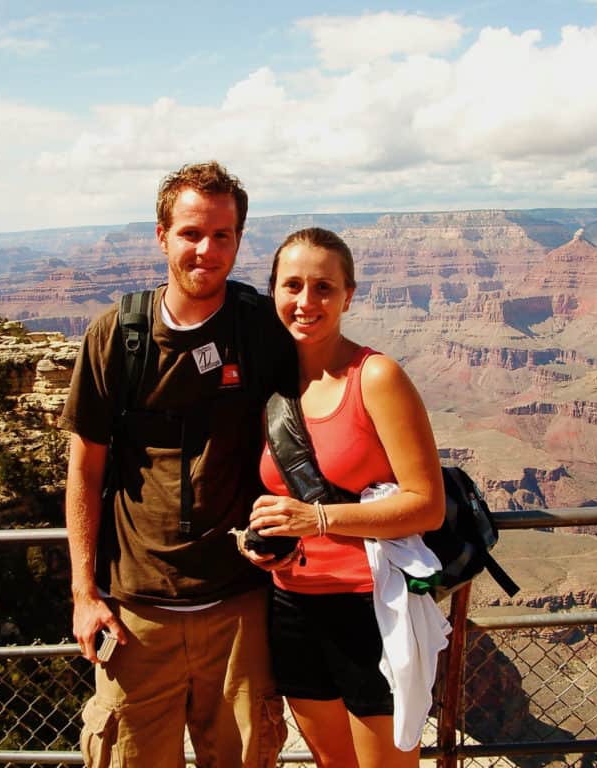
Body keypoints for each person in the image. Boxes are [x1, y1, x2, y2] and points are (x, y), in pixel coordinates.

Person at [60, 161, 295, 768]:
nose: (207, 250)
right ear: (162, 235)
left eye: (223, 235)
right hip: (137, 614)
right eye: (192, 232)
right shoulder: (117, 335)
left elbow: (312, 429)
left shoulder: (262, 331)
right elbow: (83, 469)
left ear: (239, 240)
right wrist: (84, 592)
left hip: (240, 608)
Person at [240, 227, 446, 768]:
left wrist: (320, 518)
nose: (307, 302)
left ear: (348, 295)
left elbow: (428, 503)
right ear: (274, 293)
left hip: (367, 607)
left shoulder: (376, 376)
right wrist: (259, 542)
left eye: (324, 288)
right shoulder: (268, 384)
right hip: (291, 606)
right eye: (293, 286)